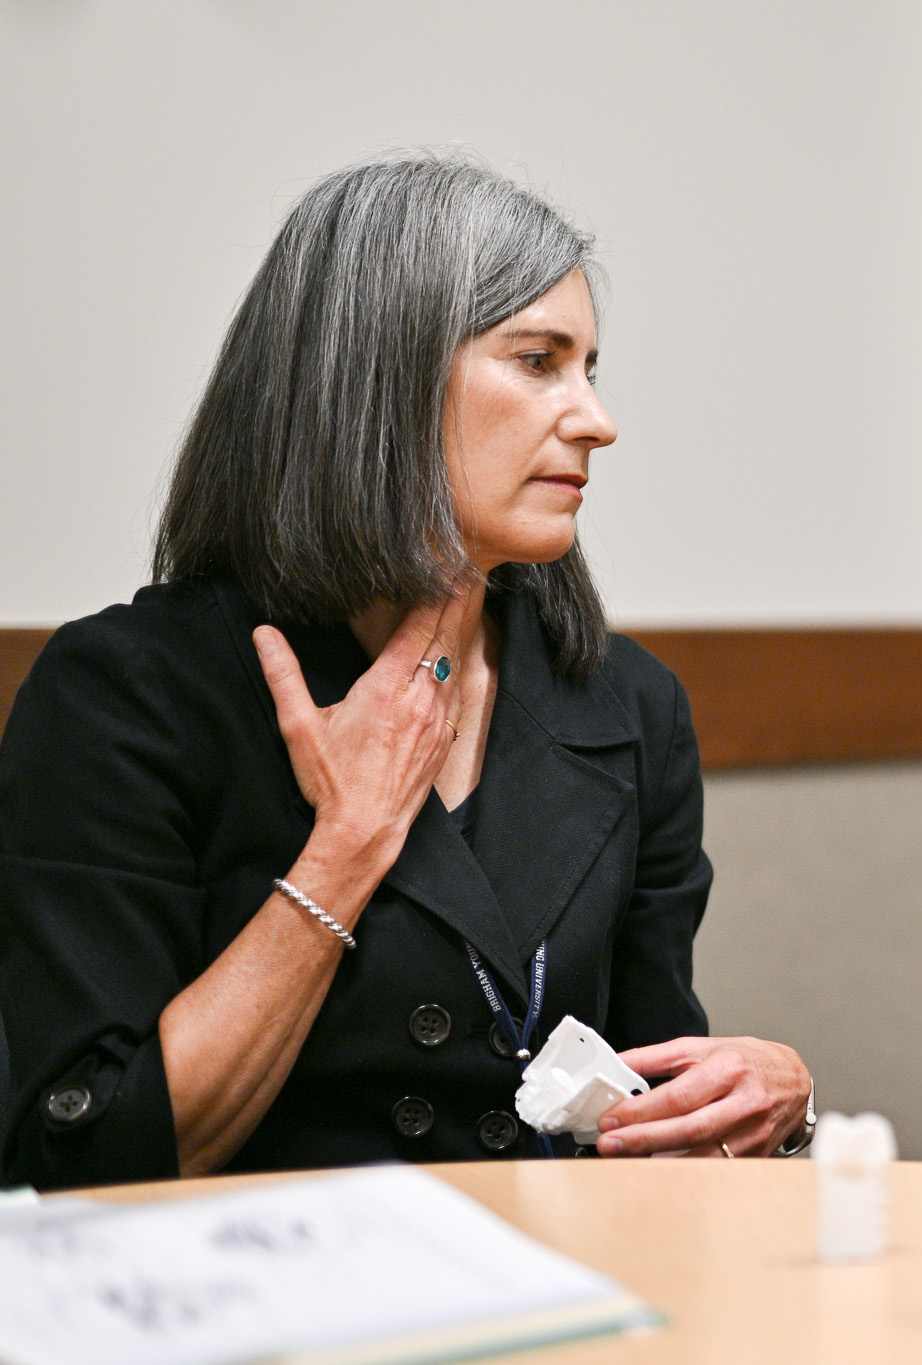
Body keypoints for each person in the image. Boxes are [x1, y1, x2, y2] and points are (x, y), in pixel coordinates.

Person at [0, 152, 813, 1188]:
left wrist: (767, 1103)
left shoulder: (626, 703)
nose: (596, 421)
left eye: (589, 368)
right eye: (537, 361)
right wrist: (347, 844)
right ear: (381, 377)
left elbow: (650, 1123)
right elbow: (80, 1160)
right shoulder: (126, 695)